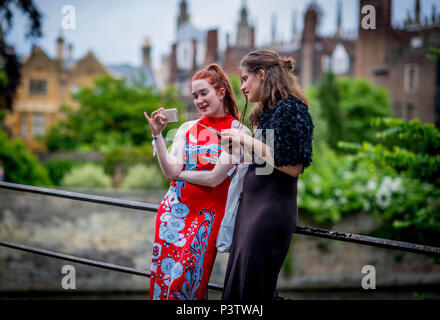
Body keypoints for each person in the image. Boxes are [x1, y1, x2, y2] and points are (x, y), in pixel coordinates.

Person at [144, 63, 250, 300]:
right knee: (164, 284)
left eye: (204, 93)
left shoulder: (238, 131)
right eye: (195, 96)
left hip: (207, 219)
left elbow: (214, 178)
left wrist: (177, 174)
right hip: (173, 214)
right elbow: (169, 168)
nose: (199, 100)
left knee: (186, 285)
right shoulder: (186, 128)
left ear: (221, 92)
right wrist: (157, 134)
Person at [220, 49, 314, 300]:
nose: (241, 87)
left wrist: (247, 140)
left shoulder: (292, 109)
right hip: (249, 211)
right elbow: (264, 161)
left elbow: (292, 166)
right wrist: (238, 149)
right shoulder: (264, 112)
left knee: (253, 290)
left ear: (261, 75)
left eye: (244, 78)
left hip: (270, 213)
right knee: (238, 287)